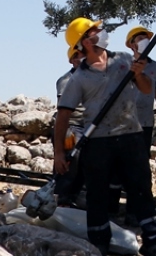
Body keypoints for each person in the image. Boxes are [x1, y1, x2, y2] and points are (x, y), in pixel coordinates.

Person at [53, 17, 156, 256]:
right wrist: (58, 153)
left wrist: (139, 74)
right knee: (97, 194)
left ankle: (154, 242)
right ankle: (99, 244)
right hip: (98, 142)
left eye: (99, 29)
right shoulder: (78, 78)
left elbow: (146, 89)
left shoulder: (124, 60)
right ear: (84, 42)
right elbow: (63, 117)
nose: (101, 33)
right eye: (94, 31)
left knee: (141, 189)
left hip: (131, 136)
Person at [124, 27, 156, 154]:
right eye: (140, 38)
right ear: (132, 45)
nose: (144, 41)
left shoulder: (155, 66)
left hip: (146, 121)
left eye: (146, 38)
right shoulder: (125, 65)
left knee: (143, 158)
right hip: (126, 122)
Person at [54, 44, 86, 207]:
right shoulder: (66, 80)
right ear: (72, 60)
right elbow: (63, 111)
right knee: (71, 162)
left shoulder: (91, 78)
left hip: (89, 126)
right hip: (73, 126)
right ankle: (63, 197)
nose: (82, 57)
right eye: (78, 55)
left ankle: (75, 196)